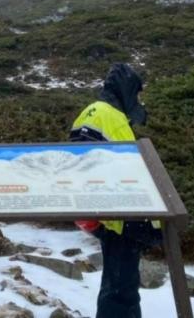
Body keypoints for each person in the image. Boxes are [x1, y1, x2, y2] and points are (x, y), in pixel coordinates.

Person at [70, 63, 160, 318]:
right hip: (118, 218)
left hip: (120, 216)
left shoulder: (109, 115)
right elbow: (88, 164)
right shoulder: (101, 113)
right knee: (120, 291)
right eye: (136, 92)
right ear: (126, 89)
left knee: (121, 287)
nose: (138, 99)